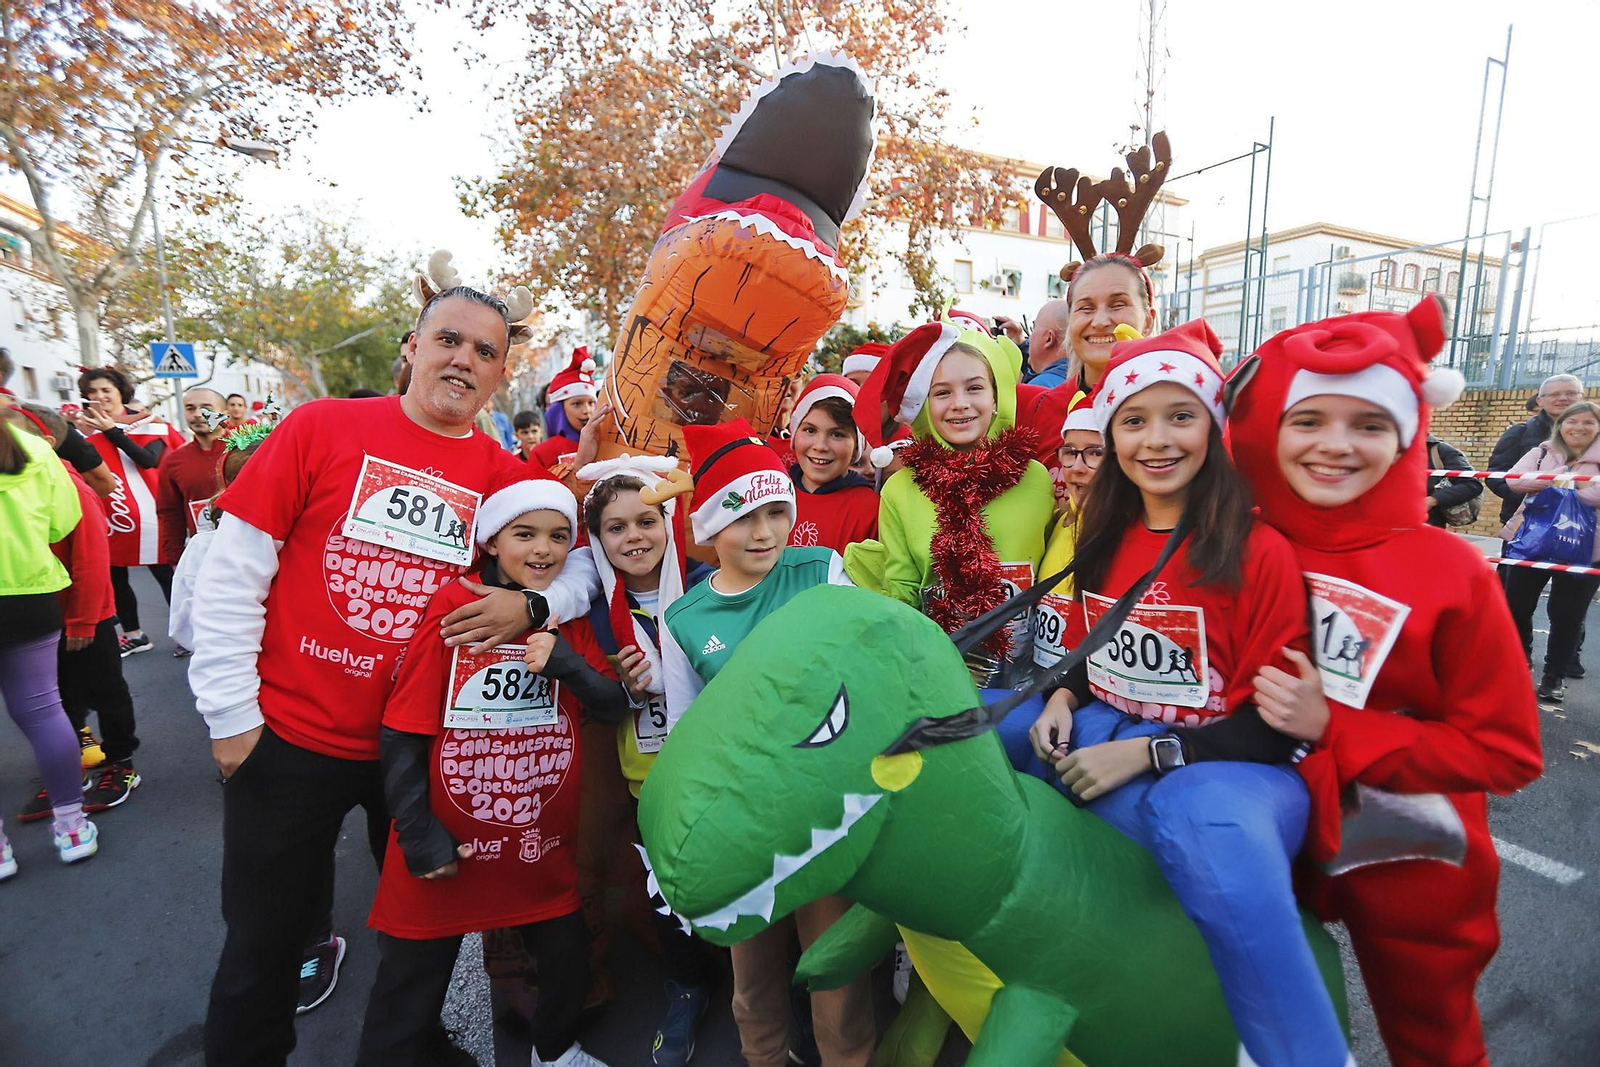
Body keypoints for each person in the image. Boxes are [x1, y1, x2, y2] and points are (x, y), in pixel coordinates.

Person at [188, 275, 601, 1067]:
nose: (463, 359)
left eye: (485, 350)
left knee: (425, 940)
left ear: (499, 373)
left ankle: (413, 1050)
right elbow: (233, 570)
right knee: (263, 947)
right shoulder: (320, 426)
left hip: (419, 754)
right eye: (448, 339)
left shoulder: (501, 471)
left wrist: (534, 610)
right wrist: (232, 719)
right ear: (411, 348)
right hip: (289, 740)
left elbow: (576, 562)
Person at [1020, 320, 1349, 1067]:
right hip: (1105, 723)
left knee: (1196, 817)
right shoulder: (1099, 527)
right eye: (1133, 420)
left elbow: (1278, 728)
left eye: (1181, 415)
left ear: (1213, 426)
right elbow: (1085, 646)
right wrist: (1061, 699)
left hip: (1231, 765)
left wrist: (1150, 751)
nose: (1157, 439)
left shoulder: (1257, 550)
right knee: (975, 746)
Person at [1227, 296, 1542, 1067]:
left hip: (1408, 849)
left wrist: (1335, 726)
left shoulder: (1451, 572)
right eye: (1308, 420)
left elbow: (1508, 753)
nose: (1336, 446)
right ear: (1269, 425)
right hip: (1262, 833)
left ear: (1407, 431)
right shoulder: (1233, 543)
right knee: (1244, 1012)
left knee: (1432, 1040)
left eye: (1368, 423)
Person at [358, 468, 615, 1067]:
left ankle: (554, 1052)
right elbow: (403, 725)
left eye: (558, 536)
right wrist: (419, 833)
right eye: (525, 534)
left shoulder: (563, 615)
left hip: (533, 839)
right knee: (408, 994)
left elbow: (611, 702)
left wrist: (567, 665)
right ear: (492, 542)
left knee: (568, 958)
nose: (544, 550)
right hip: (449, 840)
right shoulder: (455, 606)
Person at [656, 418, 872, 1067]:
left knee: (838, 976)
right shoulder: (684, 619)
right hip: (744, 829)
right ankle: (764, 1058)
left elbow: (867, 668)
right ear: (710, 527)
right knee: (752, 981)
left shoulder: (821, 570)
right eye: (743, 515)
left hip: (828, 811)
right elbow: (683, 735)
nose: (764, 532)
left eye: (778, 511)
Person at [575, 455, 717, 1067]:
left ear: (669, 522)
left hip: (722, 771)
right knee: (669, 894)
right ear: (598, 539)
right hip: (648, 776)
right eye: (616, 527)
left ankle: (766, 983)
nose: (634, 536)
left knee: (742, 875)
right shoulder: (590, 612)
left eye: (646, 521)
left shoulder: (712, 583)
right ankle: (686, 985)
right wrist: (623, 685)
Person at [854, 313, 1053, 686]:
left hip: (1028, 686)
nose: (959, 404)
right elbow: (903, 592)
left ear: (996, 398)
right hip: (936, 679)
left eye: (974, 388)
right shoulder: (900, 489)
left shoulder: (1035, 478)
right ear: (926, 405)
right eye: (942, 392)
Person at [6, 404, 143, 816]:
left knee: (107, 692)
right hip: (44, 619)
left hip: (88, 616)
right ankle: (69, 772)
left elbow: (91, 560)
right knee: (59, 699)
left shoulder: (73, 487)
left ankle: (120, 763)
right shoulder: (16, 489)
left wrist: (83, 620)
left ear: (45, 444)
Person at [0, 410, 97, 877]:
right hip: (30, 593)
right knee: (43, 711)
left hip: (28, 594)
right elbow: (64, 522)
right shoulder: (34, 448)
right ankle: (72, 828)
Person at [76, 366, 185, 656]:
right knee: (116, 577)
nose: (99, 396)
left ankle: (187, 633)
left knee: (165, 575)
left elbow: (148, 460)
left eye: (105, 390)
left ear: (120, 393)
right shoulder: (84, 431)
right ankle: (134, 634)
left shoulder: (149, 422)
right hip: (112, 515)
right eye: (92, 392)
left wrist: (110, 430)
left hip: (152, 514)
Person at [1500, 400, 1600, 703]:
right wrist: (1565, 474)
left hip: (1586, 548)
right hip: (1531, 542)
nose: (1578, 428)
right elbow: (1514, 481)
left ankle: (1554, 676)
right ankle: (1521, 661)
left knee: (1567, 616)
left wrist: (1546, 483)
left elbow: (1595, 494)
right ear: (1560, 425)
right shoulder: (1541, 452)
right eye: (1572, 421)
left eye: (1588, 422)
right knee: (1515, 606)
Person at [156, 387, 230, 656]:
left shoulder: (247, 450)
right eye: (190, 408)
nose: (198, 414)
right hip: (202, 555)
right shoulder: (174, 462)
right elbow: (168, 512)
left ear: (224, 412)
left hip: (248, 550)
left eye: (206, 408)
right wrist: (174, 557)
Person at [786, 374, 878, 552]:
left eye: (837, 434)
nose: (820, 446)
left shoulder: (871, 511)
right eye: (810, 430)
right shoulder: (773, 496)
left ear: (857, 445)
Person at [1487, 373, 1584, 526]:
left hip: (1582, 523)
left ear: (1582, 397)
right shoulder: (1520, 433)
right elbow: (1496, 475)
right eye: (1555, 394)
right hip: (1526, 522)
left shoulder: (1595, 438)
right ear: (1540, 401)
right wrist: (1531, 497)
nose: (1563, 398)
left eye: (1571, 393)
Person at [531, 347, 600, 474]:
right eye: (577, 404)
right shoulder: (542, 452)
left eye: (591, 403)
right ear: (559, 410)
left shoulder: (607, 443)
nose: (587, 410)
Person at [1424, 433, 1483, 528]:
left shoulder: (1439, 451)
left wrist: (1432, 500)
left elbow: (1472, 485)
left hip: (1428, 526)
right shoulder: (1393, 449)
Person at [1019, 298, 1072, 387]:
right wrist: (1021, 344)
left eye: (1034, 328)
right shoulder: (1083, 379)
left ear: (1048, 339)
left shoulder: (1039, 388)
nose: (1030, 338)